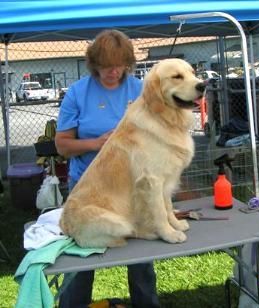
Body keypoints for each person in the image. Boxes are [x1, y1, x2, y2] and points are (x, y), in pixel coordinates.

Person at [55, 30, 160, 308]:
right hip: (87, 189)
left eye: (119, 65)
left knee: (140, 259)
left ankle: (146, 304)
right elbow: (62, 145)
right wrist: (98, 143)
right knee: (80, 258)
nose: (113, 72)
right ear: (94, 63)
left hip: (131, 188)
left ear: (128, 63)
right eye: (105, 65)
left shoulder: (139, 90)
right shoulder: (78, 92)